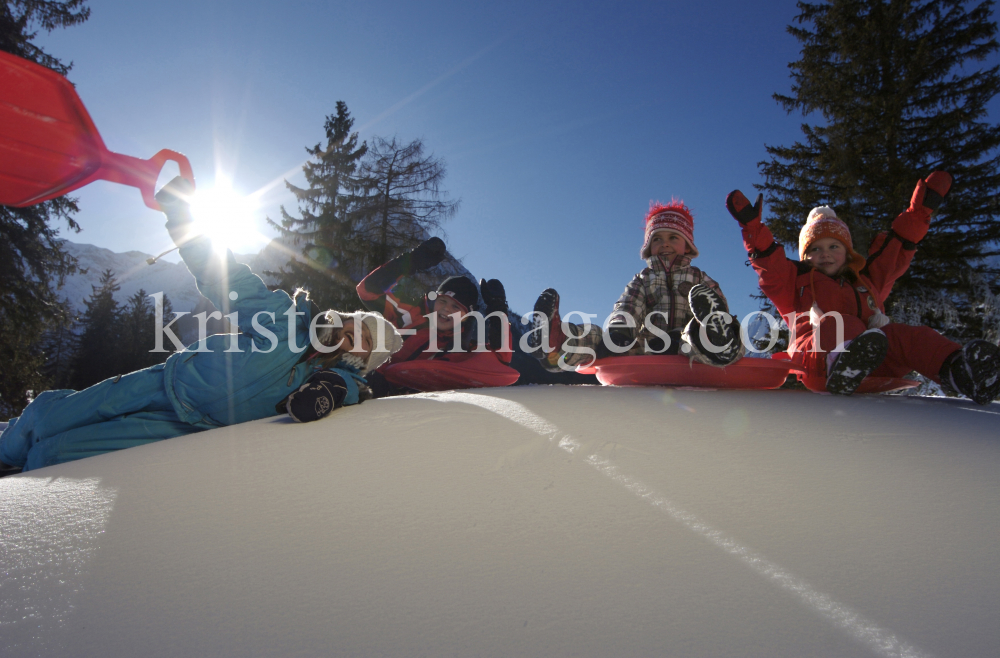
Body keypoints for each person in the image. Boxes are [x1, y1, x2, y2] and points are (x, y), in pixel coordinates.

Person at [0, 177, 402, 474]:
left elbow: (350, 392)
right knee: (51, 420)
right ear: (344, 317)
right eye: (356, 324)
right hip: (168, 381)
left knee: (58, 456)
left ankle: (17, 480)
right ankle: (6, 446)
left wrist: (339, 387)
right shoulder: (285, 318)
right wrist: (183, 217)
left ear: (364, 360)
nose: (353, 335)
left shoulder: (332, 382)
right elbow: (225, 277)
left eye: (365, 341)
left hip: (184, 426)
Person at [726, 171, 1000, 403]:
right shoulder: (794, 281)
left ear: (847, 252)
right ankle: (843, 365)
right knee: (841, 323)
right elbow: (769, 265)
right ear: (804, 257)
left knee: (910, 336)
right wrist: (753, 229)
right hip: (818, 360)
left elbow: (895, 251)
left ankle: (958, 369)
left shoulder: (865, 281)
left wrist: (919, 213)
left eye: (834, 246)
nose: (826, 254)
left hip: (872, 357)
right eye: (815, 249)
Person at [530, 200, 744, 371]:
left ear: (687, 246)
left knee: (697, 335)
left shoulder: (699, 279)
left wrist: (715, 320)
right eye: (657, 239)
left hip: (684, 345)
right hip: (648, 347)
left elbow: (721, 306)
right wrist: (620, 332)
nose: (665, 243)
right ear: (649, 247)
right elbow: (628, 306)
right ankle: (556, 342)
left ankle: (718, 340)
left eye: (673, 237)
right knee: (597, 336)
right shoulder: (643, 279)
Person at [356, 237, 512, 396]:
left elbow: (501, 359)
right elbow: (367, 291)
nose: (446, 308)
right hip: (368, 382)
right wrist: (411, 260)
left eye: (456, 307)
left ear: (466, 317)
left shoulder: (462, 347)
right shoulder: (407, 314)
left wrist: (498, 309)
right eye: (442, 300)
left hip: (410, 402)